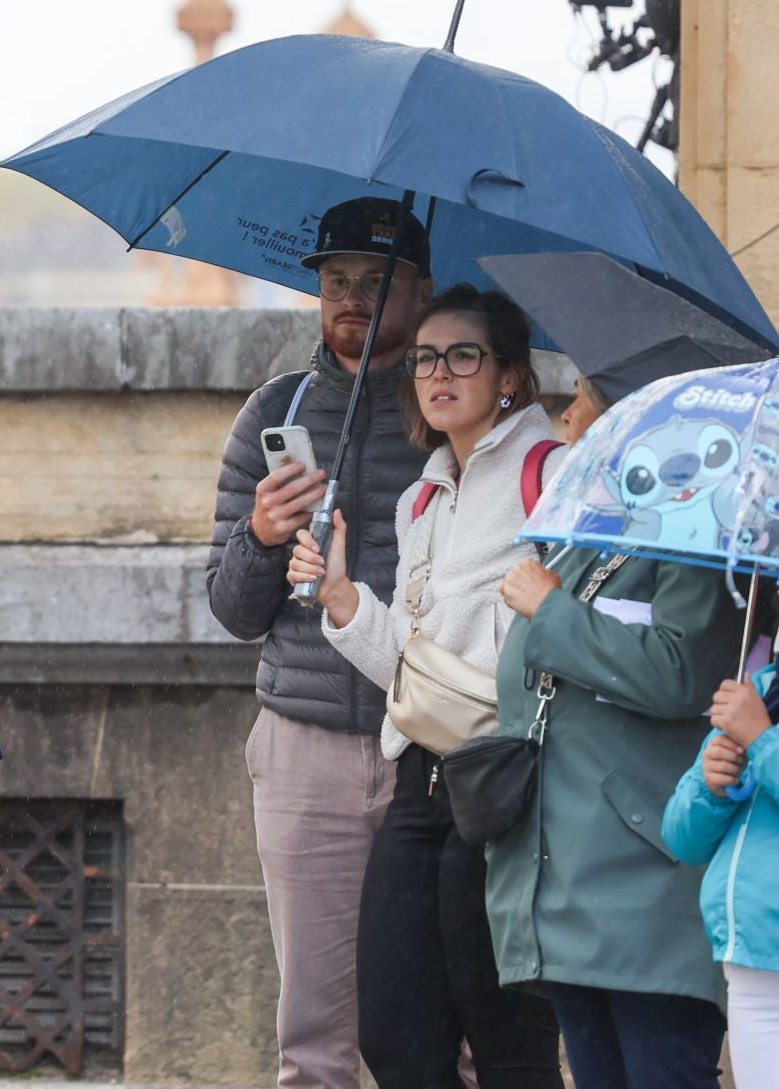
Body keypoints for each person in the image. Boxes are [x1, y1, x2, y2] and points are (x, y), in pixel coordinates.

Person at [287, 286, 564, 1088]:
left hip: (508, 781)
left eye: (463, 355)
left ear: (508, 375)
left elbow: (569, 633)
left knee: (506, 1036)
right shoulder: (421, 498)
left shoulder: (551, 477)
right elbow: (414, 668)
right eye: (424, 359)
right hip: (420, 777)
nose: (438, 372)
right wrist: (342, 597)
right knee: (396, 1031)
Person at [207, 195, 433, 1088]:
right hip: (306, 746)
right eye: (336, 282)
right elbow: (231, 610)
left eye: (374, 284)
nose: (351, 300)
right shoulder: (275, 410)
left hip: (432, 744)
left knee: (438, 1022)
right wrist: (263, 533)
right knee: (314, 1034)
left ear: (418, 289)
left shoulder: (448, 410)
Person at [487, 486, 744, 1084]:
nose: (570, 413)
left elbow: (680, 674)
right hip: (569, 877)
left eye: (584, 394)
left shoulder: (697, 534)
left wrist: (552, 610)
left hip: (650, 885)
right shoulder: (587, 531)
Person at [663, 565, 779, 1089]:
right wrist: (712, 785)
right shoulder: (762, 692)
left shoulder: (757, 716)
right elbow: (683, 838)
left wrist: (763, 742)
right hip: (748, 961)